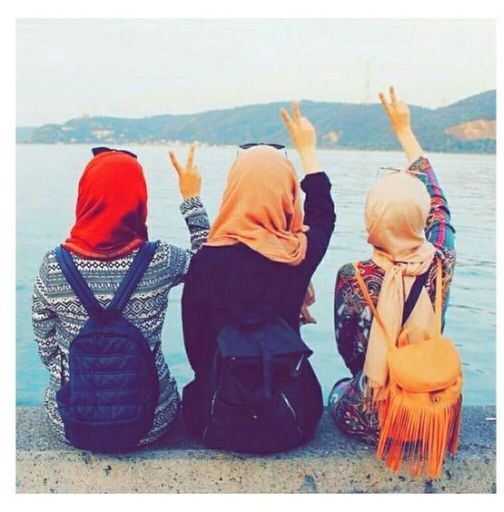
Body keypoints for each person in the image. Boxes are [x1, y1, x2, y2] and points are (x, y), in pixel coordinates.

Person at [181, 103, 336, 451]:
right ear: (287, 192)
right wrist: (308, 151)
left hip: (216, 416)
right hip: (290, 416)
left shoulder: (206, 261)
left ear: (234, 190)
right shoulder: (296, 254)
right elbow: (323, 215)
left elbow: (197, 349)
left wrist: (190, 197)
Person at [32, 144, 209, 447]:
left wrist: (85, 378)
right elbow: (209, 265)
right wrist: (191, 200)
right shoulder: (161, 259)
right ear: (139, 199)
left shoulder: (54, 266)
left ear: (84, 195)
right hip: (152, 420)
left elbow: (45, 344)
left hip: (72, 420)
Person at [328, 87, 457, 444]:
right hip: (428, 411)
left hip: (373, 418)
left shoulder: (353, 276)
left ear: (372, 215)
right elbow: (440, 206)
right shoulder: (442, 261)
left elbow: (350, 353)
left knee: (339, 388)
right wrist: (404, 131)